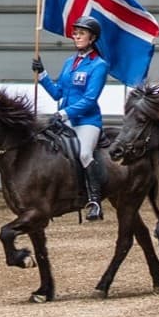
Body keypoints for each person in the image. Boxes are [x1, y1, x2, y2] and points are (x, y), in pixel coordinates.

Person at [32, 16, 109, 221]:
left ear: (92, 38)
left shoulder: (99, 65)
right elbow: (58, 93)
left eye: (81, 33)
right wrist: (42, 74)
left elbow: (90, 100)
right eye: (75, 33)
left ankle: (94, 201)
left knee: (84, 154)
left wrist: (63, 113)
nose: (77, 36)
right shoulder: (69, 63)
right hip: (65, 120)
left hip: (87, 122)